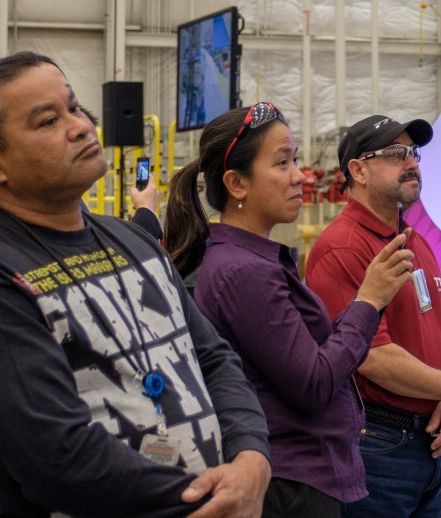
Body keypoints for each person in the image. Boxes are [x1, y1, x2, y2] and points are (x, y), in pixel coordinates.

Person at [0, 52, 272, 517]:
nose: (80, 126)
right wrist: (215, 498)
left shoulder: (131, 242)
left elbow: (213, 357)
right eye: (47, 122)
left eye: (75, 108)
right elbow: (56, 457)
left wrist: (251, 458)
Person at [166, 102, 415, 517]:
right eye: (283, 162)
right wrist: (368, 301)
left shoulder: (251, 263)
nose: (300, 175)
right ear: (237, 183)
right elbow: (313, 383)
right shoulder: (244, 272)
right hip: (293, 485)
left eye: (295, 159)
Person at [305, 114, 441, 518]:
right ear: (358, 170)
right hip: (379, 447)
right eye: (395, 153)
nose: (412, 162)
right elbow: (371, 355)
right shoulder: (343, 248)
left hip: (430, 445)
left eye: (414, 152)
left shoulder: (414, 242)